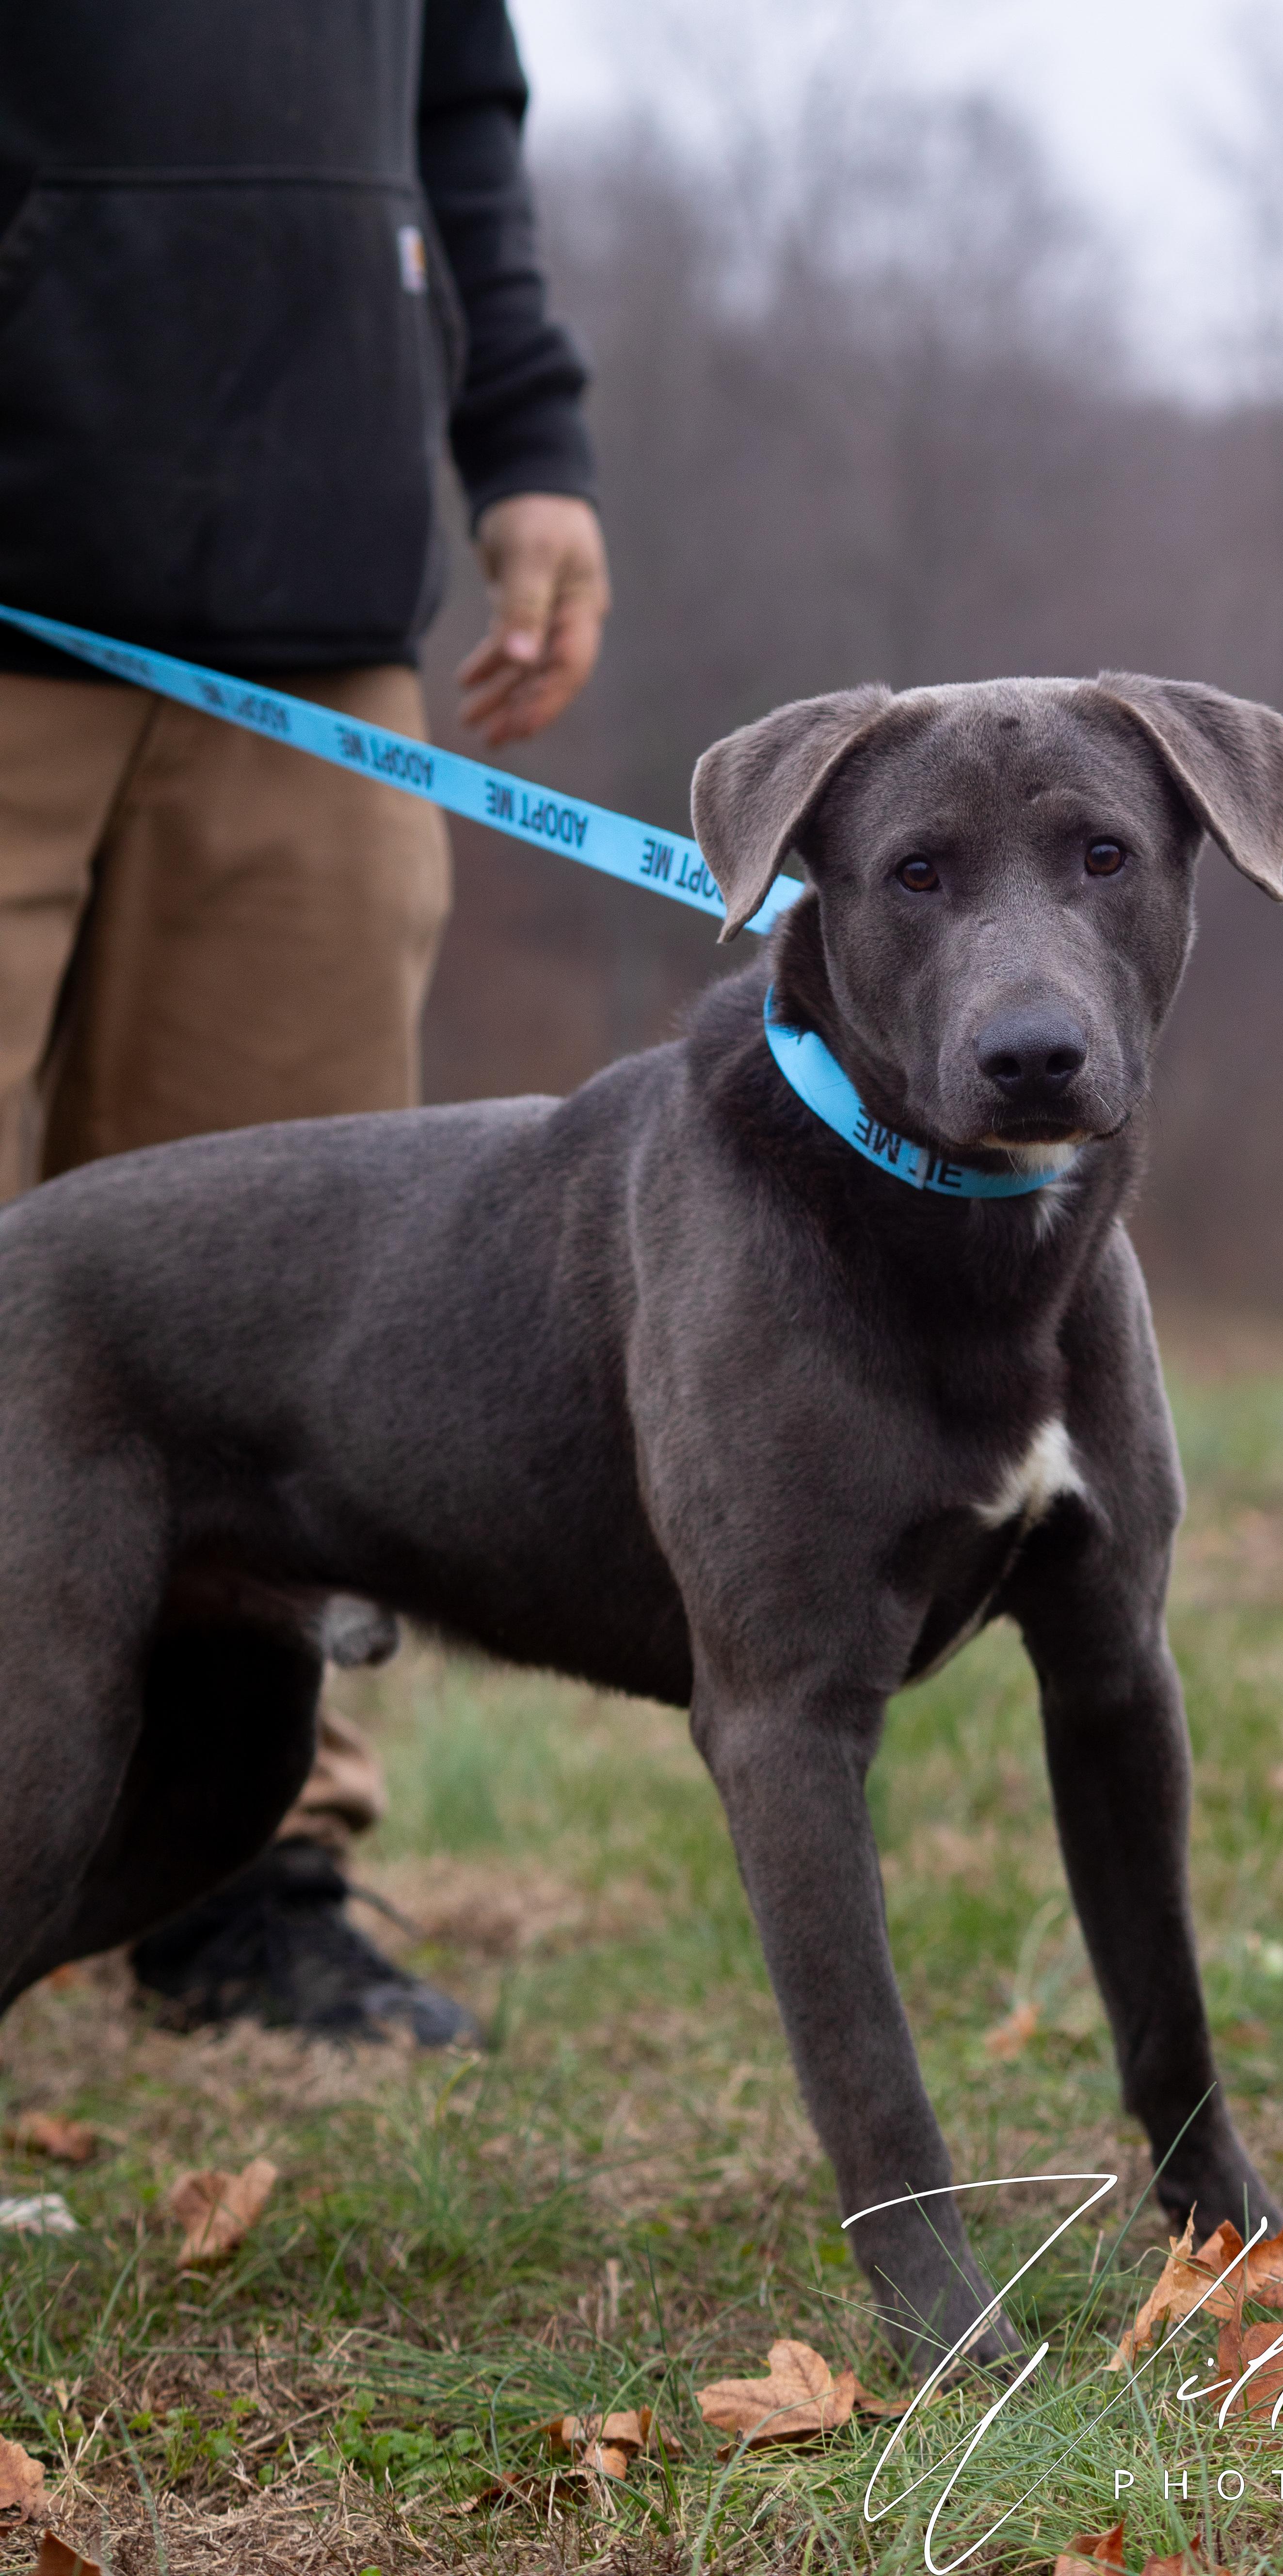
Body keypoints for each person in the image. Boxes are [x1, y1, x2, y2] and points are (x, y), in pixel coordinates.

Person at [0, 3, 611, 2044]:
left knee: (283, 1334)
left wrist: (522, 440)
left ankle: (243, 1876)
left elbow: (455, 100)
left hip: (320, 623)